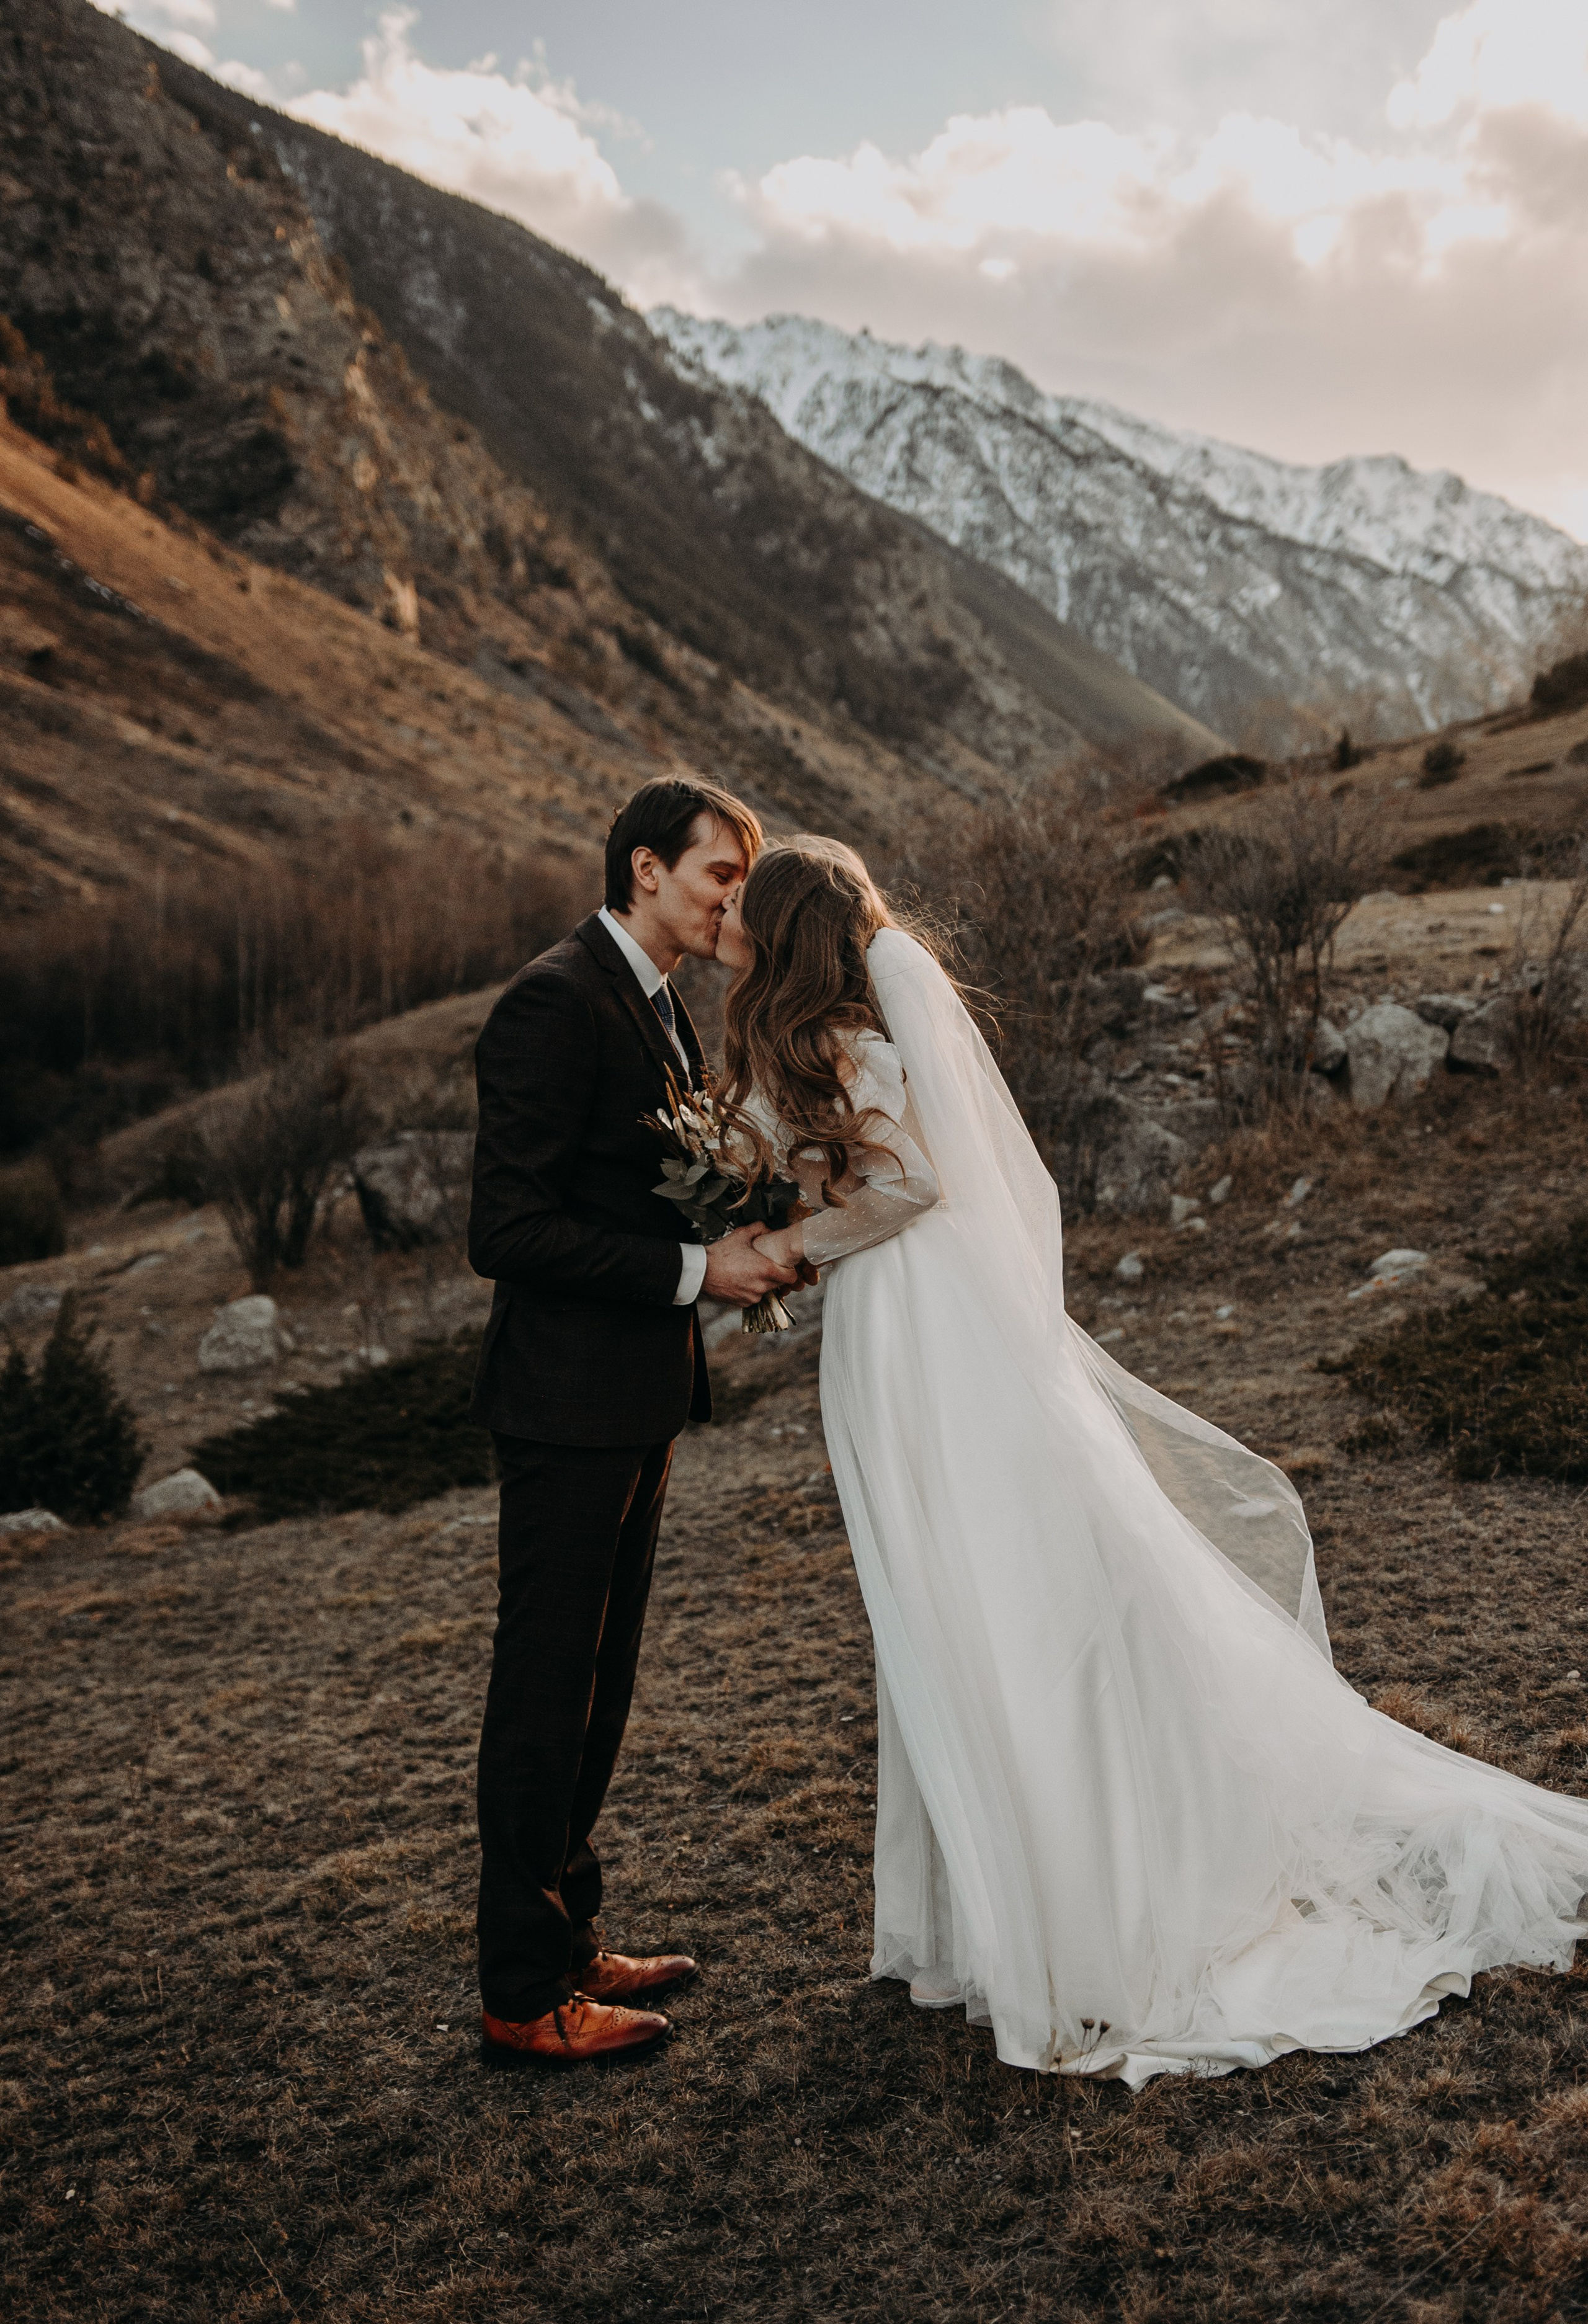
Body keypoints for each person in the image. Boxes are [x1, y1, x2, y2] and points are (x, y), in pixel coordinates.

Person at [716, 835, 1588, 2086]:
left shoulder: (849, 1035)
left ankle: (1073, 1907)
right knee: (960, 1593)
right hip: (912, 1319)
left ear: (786, 936)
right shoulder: (835, 1030)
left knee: (979, 1588)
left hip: (918, 1318)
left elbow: (906, 1186)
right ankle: (993, 1910)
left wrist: (796, 1239)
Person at [466, 775, 800, 2062]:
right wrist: (693, 1274)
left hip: (638, 1398)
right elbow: (507, 1230)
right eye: (721, 875)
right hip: (563, 1404)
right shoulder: (553, 1002)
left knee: (599, 1688)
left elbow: (654, 1185)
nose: (734, 900)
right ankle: (519, 1993)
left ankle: (568, 1936)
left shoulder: (659, 1006)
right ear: (645, 868)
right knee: (544, 1688)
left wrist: (763, 1222)